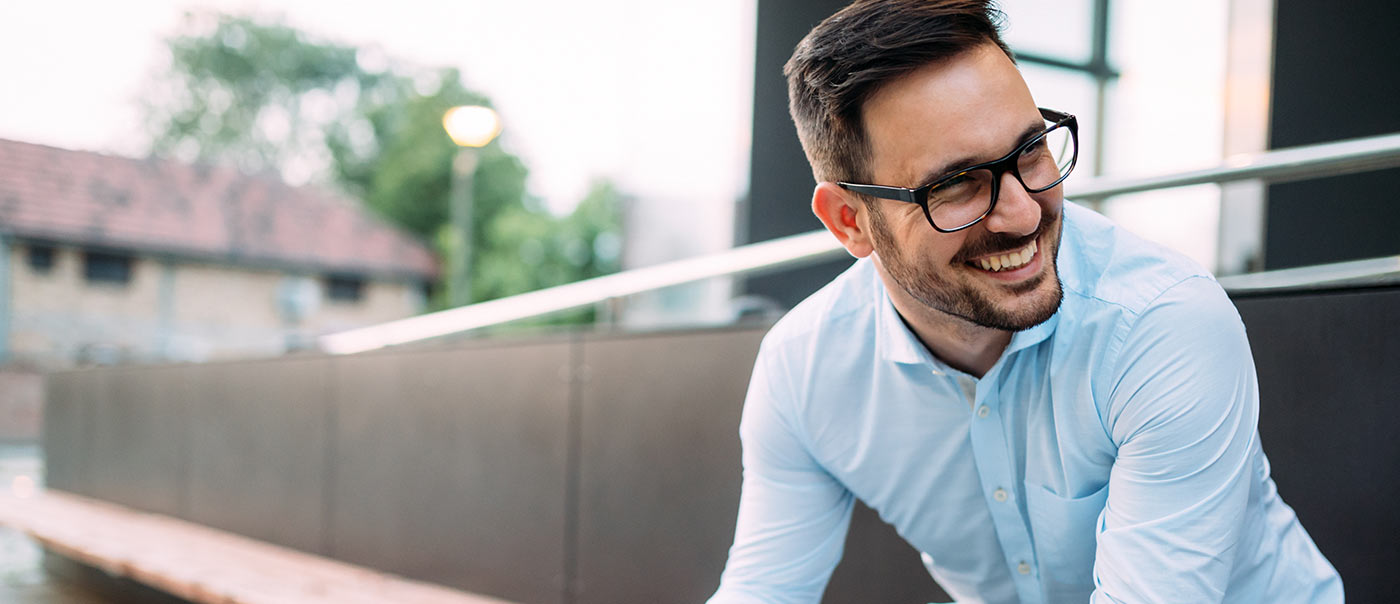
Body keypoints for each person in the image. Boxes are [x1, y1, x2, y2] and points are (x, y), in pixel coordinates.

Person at [707, 1, 1343, 602]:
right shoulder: (803, 369)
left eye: (1031, 150)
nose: (1021, 213)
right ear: (850, 221)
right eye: (957, 183)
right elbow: (763, 589)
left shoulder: (1161, 323)